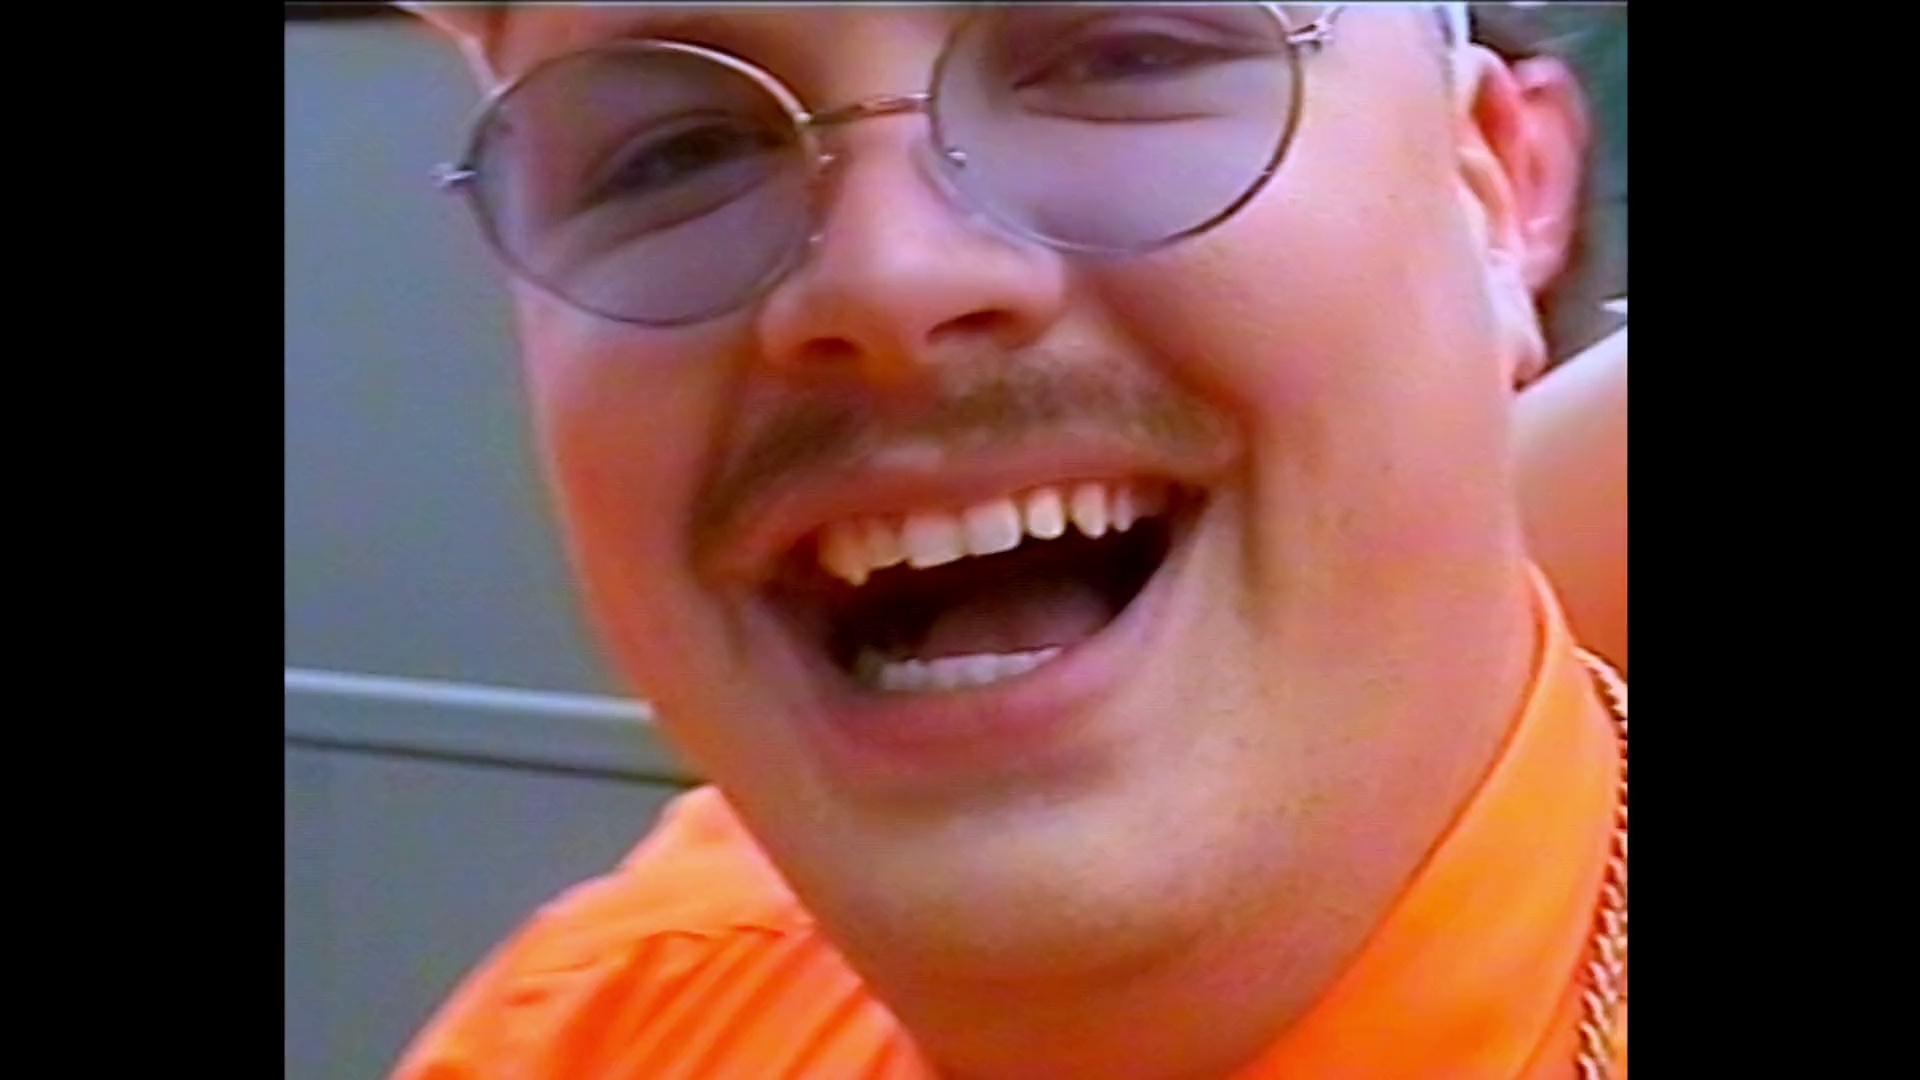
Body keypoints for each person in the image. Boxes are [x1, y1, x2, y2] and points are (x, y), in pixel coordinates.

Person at [389, 4, 1628, 1076]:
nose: (887, 276)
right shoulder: (601, 1022)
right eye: (673, 155)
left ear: (1494, 189)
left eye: (1124, 57)